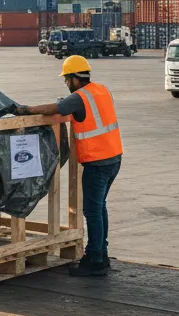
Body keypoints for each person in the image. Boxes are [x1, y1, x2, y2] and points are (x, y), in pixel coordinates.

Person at [16, 55, 123, 277]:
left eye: (66, 79)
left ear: (75, 78)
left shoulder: (79, 97)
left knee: (92, 211)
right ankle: (101, 254)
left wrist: (26, 110)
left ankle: (95, 259)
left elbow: (55, 108)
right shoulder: (102, 90)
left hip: (96, 162)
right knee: (99, 207)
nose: (66, 83)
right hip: (114, 157)